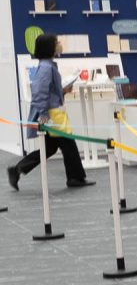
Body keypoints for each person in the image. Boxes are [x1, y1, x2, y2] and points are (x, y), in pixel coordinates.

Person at [8, 34, 93, 191]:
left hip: (52, 113)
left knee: (50, 148)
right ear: (50, 47)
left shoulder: (47, 66)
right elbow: (39, 92)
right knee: (68, 144)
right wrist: (43, 115)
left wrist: (63, 91)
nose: (59, 44)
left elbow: (47, 91)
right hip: (53, 114)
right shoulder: (47, 68)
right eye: (56, 42)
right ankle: (75, 177)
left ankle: (18, 169)